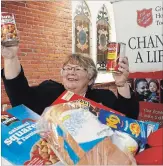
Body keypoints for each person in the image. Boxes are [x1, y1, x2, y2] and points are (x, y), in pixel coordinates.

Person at [1, 46, 139, 119]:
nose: (71, 72)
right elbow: (19, 96)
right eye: (67, 68)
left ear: (90, 78)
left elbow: (128, 119)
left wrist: (121, 84)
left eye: (78, 69)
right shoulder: (49, 90)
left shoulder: (104, 97)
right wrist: (10, 58)